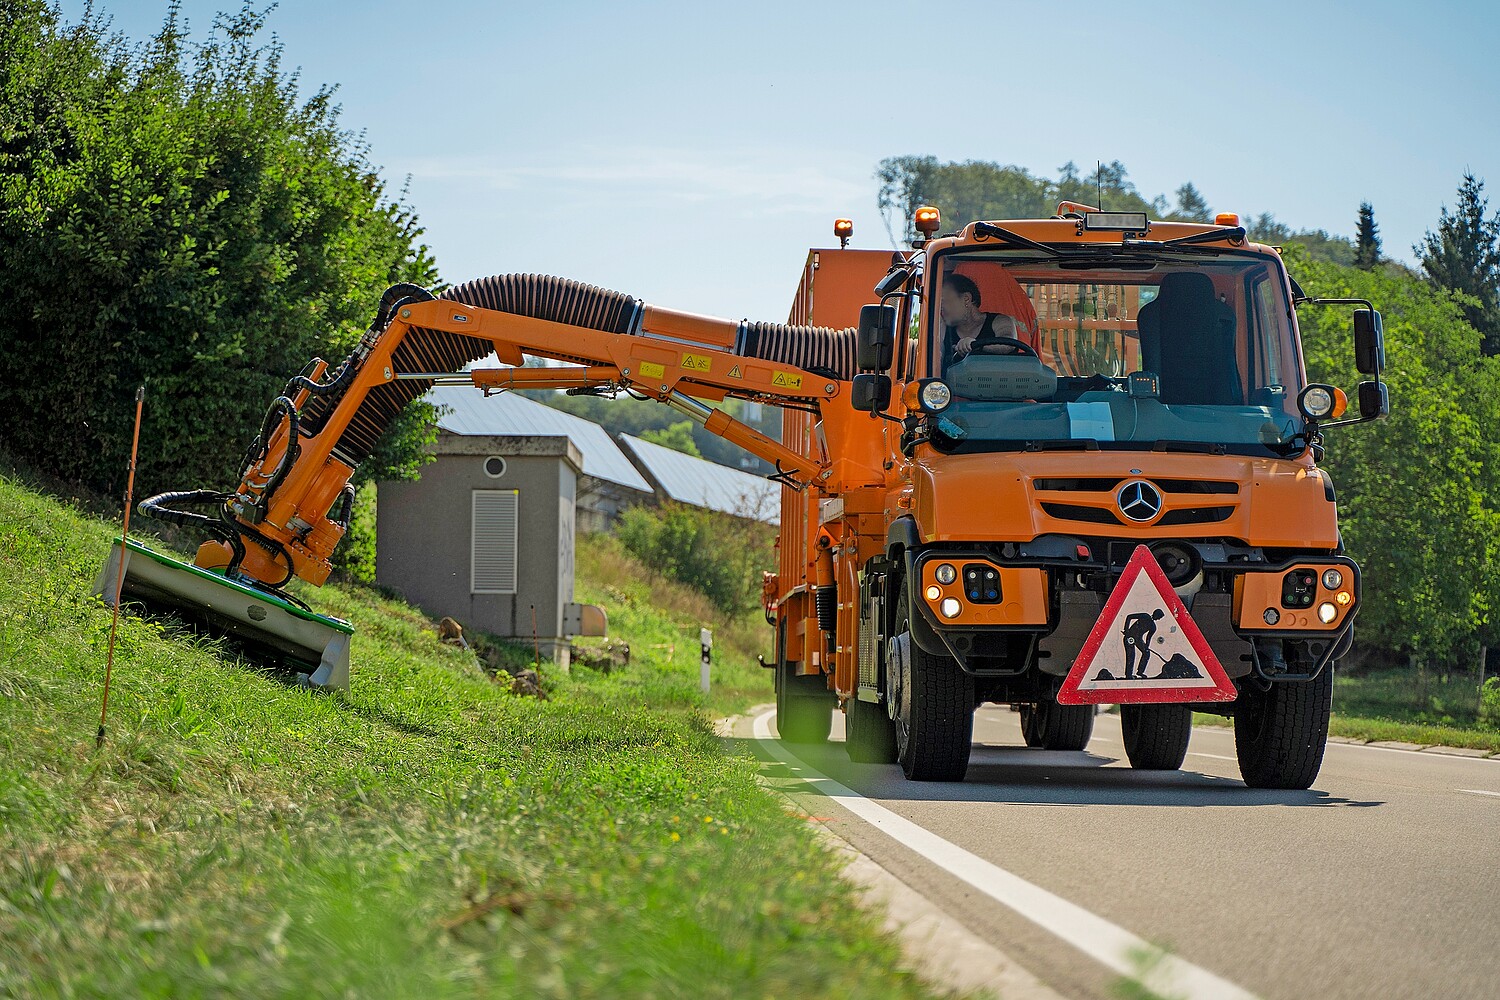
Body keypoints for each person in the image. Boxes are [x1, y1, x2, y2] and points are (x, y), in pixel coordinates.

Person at [940, 272, 1036, 364]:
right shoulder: (942, 327)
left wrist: (975, 345)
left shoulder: (1000, 321)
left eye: (945, 301)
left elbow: (1008, 344)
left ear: (966, 299)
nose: (941, 307)